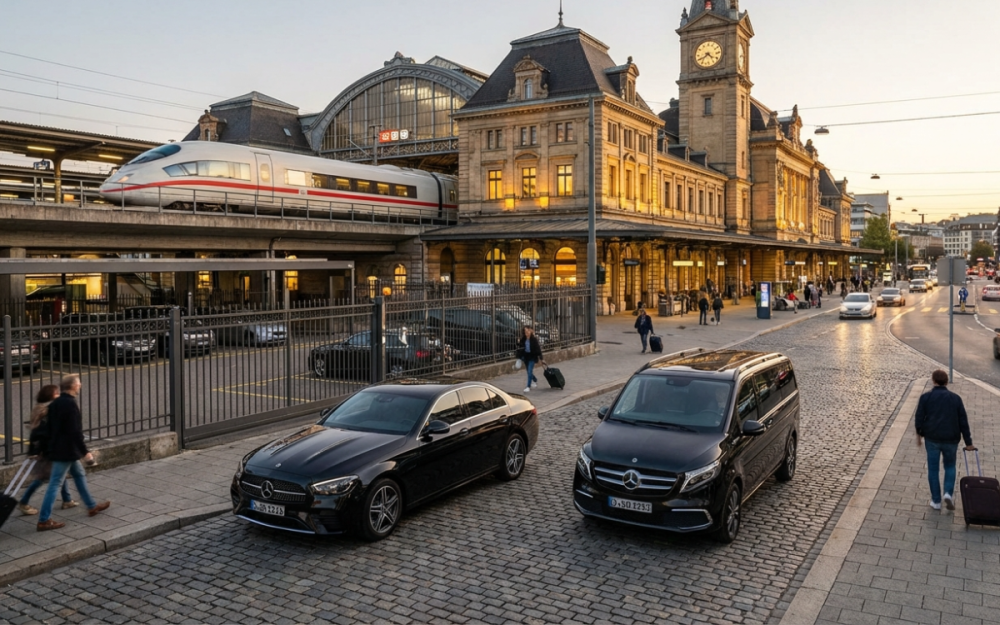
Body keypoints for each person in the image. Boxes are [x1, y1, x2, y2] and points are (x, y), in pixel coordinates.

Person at [36, 374, 111, 531]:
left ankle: (91, 506)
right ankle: (44, 519)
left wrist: (46, 448)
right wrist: (86, 452)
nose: (80, 385)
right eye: (78, 383)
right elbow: (74, 431)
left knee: (79, 474)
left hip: (59, 448)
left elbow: (48, 428)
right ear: (72, 386)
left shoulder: (56, 403)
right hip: (66, 451)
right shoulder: (70, 405)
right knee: (55, 483)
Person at [914, 370, 975, 511]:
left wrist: (920, 434)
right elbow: (963, 421)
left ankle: (936, 501)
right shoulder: (956, 398)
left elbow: (919, 418)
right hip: (951, 438)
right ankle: (948, 493)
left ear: (933, 381)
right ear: (946, 382)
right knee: (950, 466)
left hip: (932, 438)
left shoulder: (926, 398)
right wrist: (968, 442)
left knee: (933, 469)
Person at [17, 385, 76, 515]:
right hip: (45, 450)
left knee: (60, 473)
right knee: (42, 478)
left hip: (45, 448)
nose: (59, 395)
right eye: (56, 393)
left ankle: (67, 500)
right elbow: (43, 432)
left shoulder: (40, 407)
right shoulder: (45, 410)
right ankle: (24, 501)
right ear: (51, 395)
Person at [516, 326, 543, 393]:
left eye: (528, 331)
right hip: (526, 357)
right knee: (528, 371)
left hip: (532, 357)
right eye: (525, 332)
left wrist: (541, 358)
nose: (527, 333)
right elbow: (520, 347)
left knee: (529, 371)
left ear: (530, 331)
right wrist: (518, 342)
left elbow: (538, 349)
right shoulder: (523, 339)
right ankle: (535, 380)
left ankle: (528, 386)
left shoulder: (534, 340)